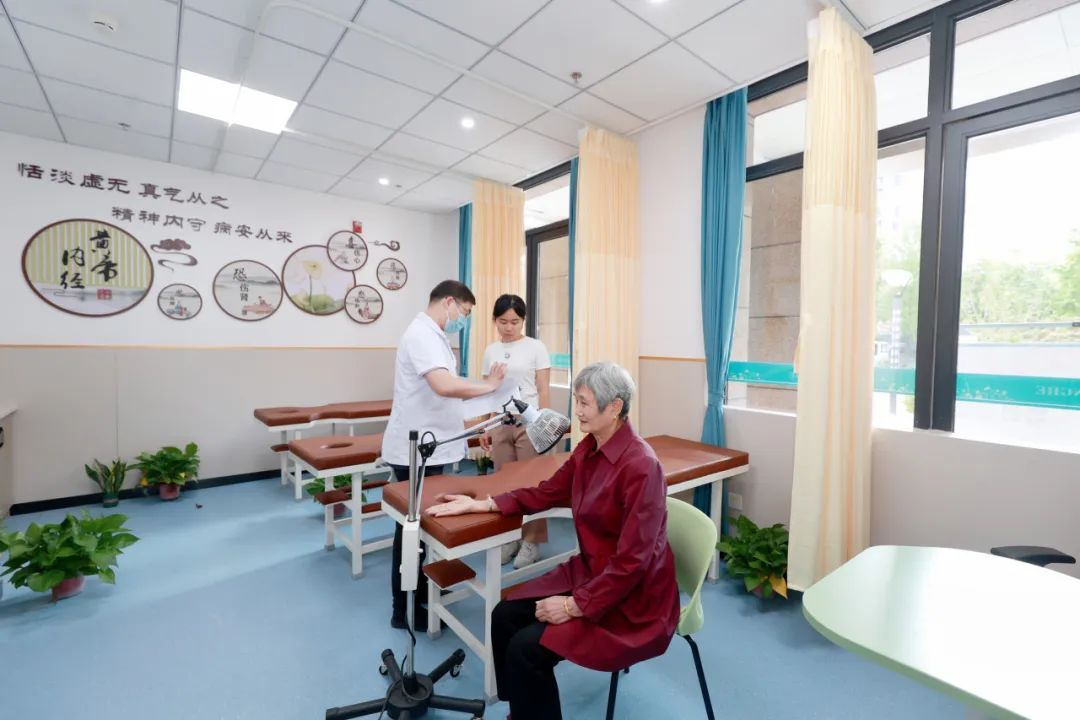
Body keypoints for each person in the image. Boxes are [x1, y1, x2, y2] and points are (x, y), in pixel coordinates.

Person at [427, 362, 678, 720]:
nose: (577, 411)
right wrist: (484, 503)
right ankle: (524, 711)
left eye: (584, 403)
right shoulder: (589, 449)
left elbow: (633, 562)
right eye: (576, 401)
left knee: (526, 650)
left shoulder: (641, 467)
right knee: (504, 615)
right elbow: (548, 491)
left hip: (631, 598)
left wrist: (574, 606)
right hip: (593, 573)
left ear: (615, 407)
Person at [382, 279, 506, 631]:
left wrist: (482, 402)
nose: (462, 320)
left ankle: (422, 593)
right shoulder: (422, 335)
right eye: (464, 312)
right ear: (449, 302)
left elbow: (446, 389)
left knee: (423, 526)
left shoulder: (434, 336)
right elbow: (444, 385)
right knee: (411, 528)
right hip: (415, 450)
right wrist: (489, 386)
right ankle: (404, 609)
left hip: (430, 446)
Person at [478, 294, 552, 569]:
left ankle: (531, 541)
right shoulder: (491, 350)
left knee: (531, 485)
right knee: (504, 485)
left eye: (514, 321)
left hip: (529, 421)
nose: (508, 327)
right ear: (494, 320)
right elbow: (487, 391)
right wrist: (485, 425)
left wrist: (543, 424)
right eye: (503, 321)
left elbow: (543, 389)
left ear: (523, 321)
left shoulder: (536, 347)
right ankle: (510, 537)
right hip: (500, 421)